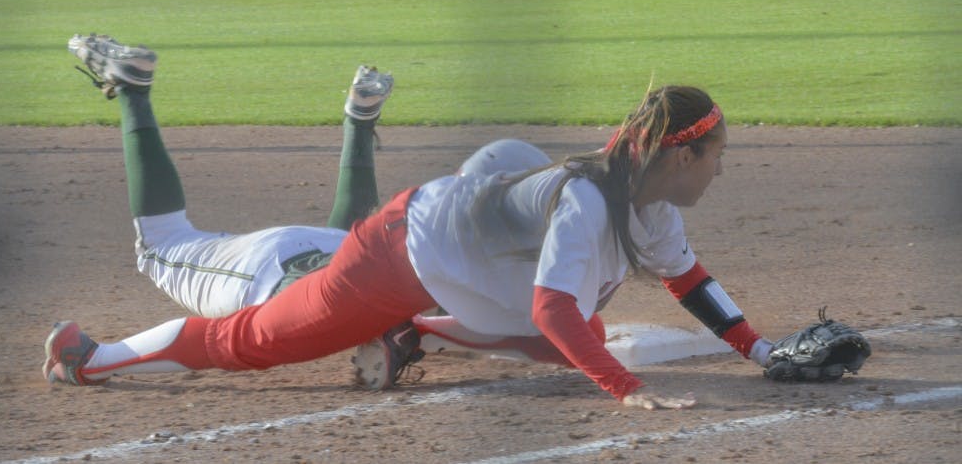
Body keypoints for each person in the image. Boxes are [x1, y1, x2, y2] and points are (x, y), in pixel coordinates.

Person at [45, 33, 774, 410]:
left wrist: (762, 351)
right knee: (255, 339)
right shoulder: (587, 200)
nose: (721, 167)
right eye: (716, 154)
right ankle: (92, 357)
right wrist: (627, 388)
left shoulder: (647, 206)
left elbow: (690, 280)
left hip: (438, 262)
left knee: (566, 336)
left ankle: (415, 326)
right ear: (680, 157)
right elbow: (552, 307)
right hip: (390, 256)